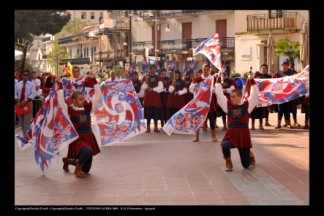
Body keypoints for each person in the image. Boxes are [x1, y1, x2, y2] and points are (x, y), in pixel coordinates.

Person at [57, 75, 102, 178]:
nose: (83, 100)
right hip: (77, 139)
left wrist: (94, 81)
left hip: (89, 137)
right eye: (80, 99)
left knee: (86, 170)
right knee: (87, 151)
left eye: (83, 98)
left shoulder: (87, 107)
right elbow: (60, 101)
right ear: (74, 100)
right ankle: (77, 170)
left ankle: (68, 160)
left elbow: (98, 96)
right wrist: (60, 85)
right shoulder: (69, 110)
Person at [215, 71, 259, 171]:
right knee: (224, 145)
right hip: (231, 136)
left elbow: (255, 93)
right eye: (230, 97)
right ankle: (228, 162)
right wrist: (218, 78)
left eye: (233, 97)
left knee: (246, 166)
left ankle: (250, 155)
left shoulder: (247, 105)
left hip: (243, 137)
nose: (231, 99)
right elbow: (219, 94)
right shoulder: (228, 106)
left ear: (240, 97)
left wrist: (251, 79)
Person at [15, 70, 36, 136]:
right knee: (21, 121)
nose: (25, 76)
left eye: (27, 75)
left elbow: (33, 94)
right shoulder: (17, 84)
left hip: (28, 103)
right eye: (24, 75)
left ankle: (26, 136)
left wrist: (25, 100)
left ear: (28, 76)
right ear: (22, 75)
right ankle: (25, 133)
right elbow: (15, 93)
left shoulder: (32, 84)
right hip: (19, 104)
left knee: (26, 121)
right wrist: (18, 101)